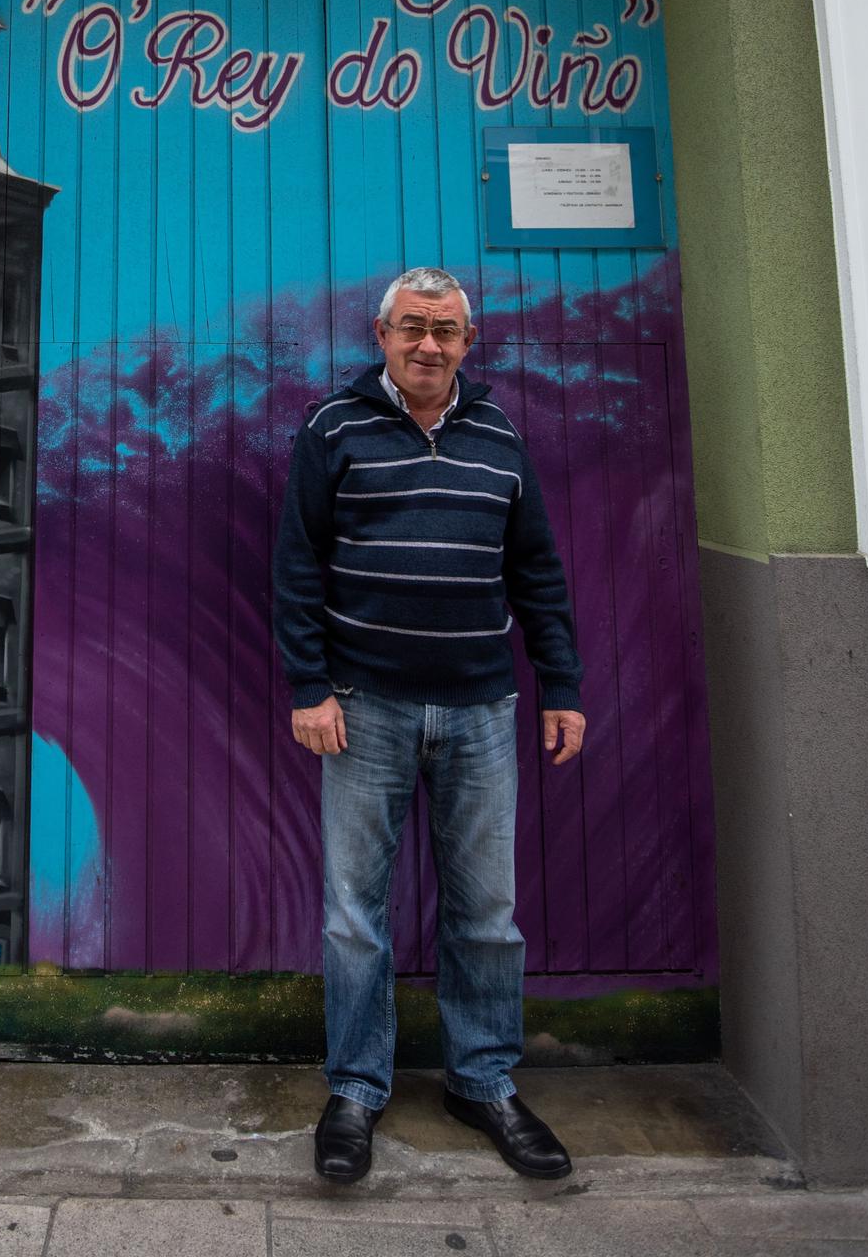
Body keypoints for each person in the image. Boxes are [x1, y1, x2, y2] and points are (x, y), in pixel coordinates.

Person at [273, 267, 585, 1183]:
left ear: (466, 342)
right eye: (412, 327)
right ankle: (356, 1091)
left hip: (482, 707)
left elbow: (536, 570)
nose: (428, 345)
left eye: (445, 331)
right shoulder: (332, 429)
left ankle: (481, 1080)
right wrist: (308, 687)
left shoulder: (498, 436)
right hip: (362, 708)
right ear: (380, 335)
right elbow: (298, 567)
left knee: (486, 913)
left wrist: (559, 684)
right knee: (354, 916)